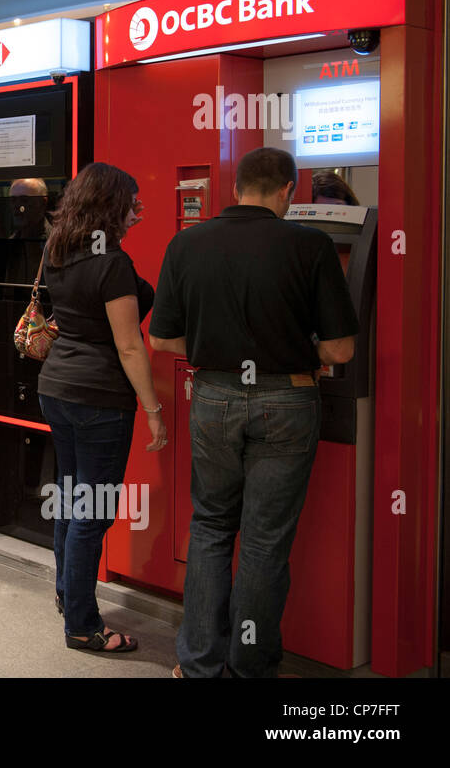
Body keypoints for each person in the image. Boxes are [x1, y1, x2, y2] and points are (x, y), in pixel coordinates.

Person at [149, 147, 358, 678]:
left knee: (212, 527)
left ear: (236, 187)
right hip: (287, 400)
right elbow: (340, 351)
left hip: (213, 396)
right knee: (265, 541)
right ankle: (250, 666)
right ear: (288, 190)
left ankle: (198, 664)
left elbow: (163, 338)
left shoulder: (186, 243)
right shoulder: (310, 245)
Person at [34, 162, 164, 653]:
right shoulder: (111, 263)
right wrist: (152, 408)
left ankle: (69, 596)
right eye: (132, 202)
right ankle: (84, 627)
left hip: (58, 389)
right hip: (99, 397)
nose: (139, 210)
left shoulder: (57, 250)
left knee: (71, 500)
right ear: (111, 205)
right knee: (92, 511)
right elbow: (129, 346)